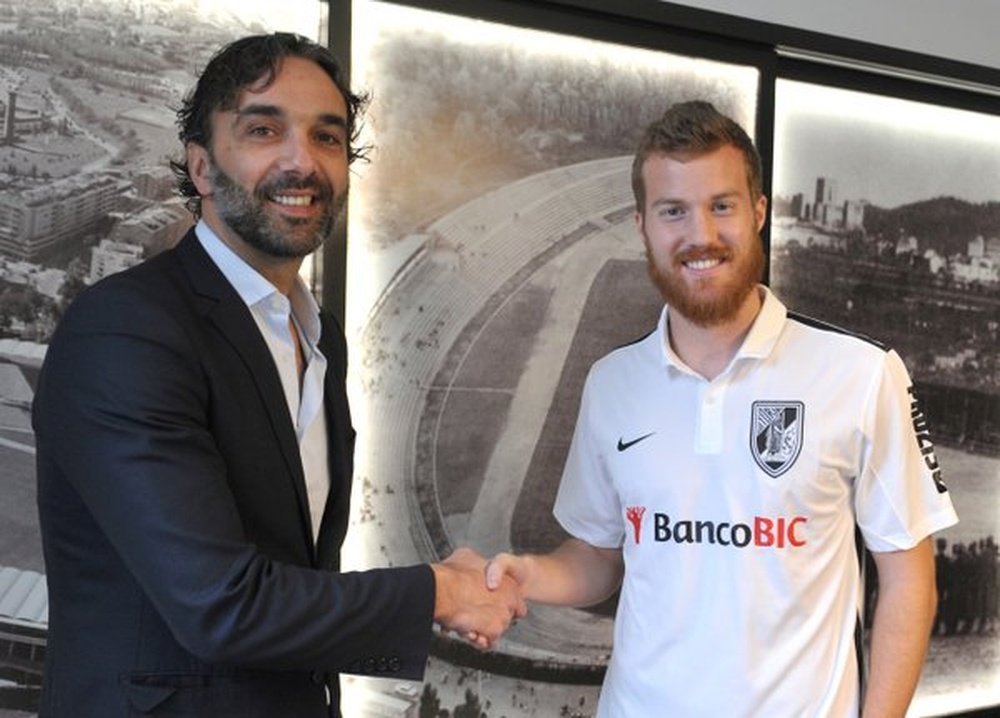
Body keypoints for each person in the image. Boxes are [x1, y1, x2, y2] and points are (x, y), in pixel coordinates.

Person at [33, 33, 523, 718]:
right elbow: (222, 607)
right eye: (263, 130)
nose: (302, 161)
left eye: (327, 138)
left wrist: (436, 610)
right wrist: (439, 593)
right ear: (201, 167)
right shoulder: (126, 330)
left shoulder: (317, 336)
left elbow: (294, 581)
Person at [485, 101, 958, 717]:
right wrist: (529, 574)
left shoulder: (863, 374)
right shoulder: (611, 384)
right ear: (642, 225)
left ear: (758, 212)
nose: (701, 235)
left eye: (722, 206)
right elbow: (599, 557)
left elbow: (908, 579)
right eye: (673, 211)